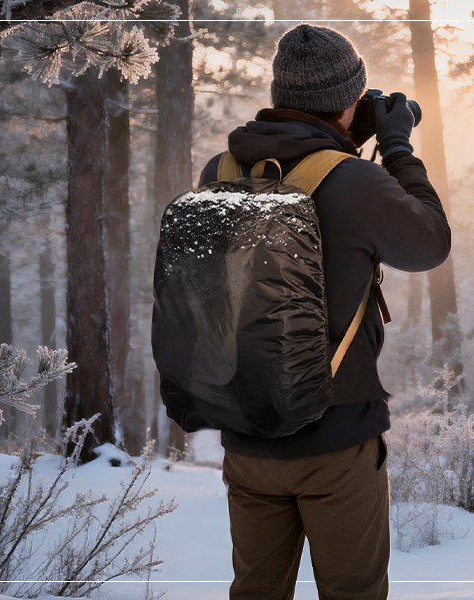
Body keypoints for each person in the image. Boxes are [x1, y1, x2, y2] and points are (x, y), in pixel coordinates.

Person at [196, 24, 450, 600]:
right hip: (335, 441)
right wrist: (397, 148)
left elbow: (303, 185)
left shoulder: (221, 172)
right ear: (348, 101)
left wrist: (341, 135)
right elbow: (429, 242)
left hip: (248, 438)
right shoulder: (358, 180)